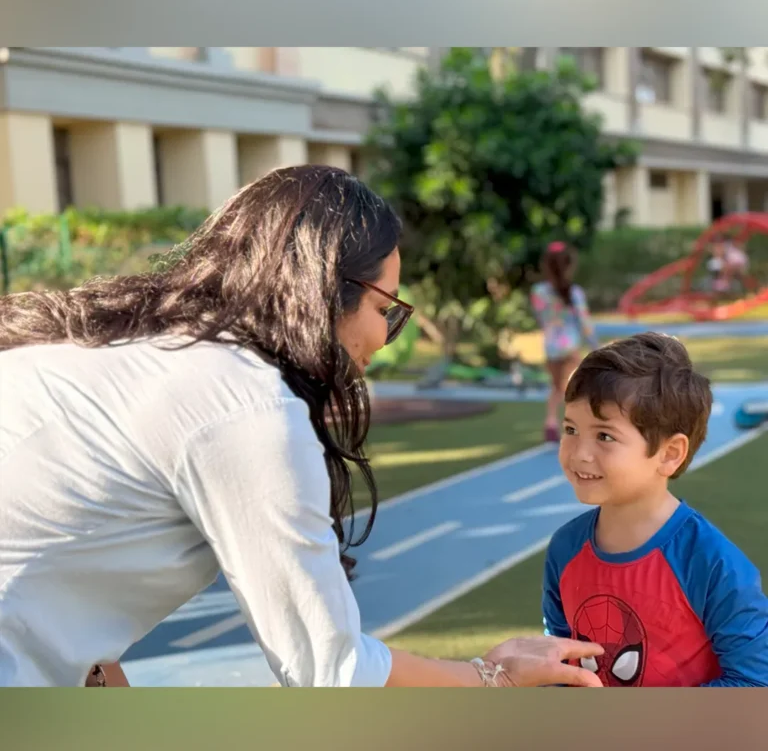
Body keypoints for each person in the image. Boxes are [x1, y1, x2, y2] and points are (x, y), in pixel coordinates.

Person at [0, 164, 604, 688]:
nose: (381, 340)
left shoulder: (139, 350)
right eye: (383, 309)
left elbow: (54, 570)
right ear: (321, 290)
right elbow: (334, 674)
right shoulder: (243, 403)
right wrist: (489, 676)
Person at [541, 332, 768, 687]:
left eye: (604, 436)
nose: (579, 453)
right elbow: (558, 664)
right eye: (571, 429)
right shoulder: (565, 549)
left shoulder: (711, 562)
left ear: (669, 454)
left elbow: (755, 683)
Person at [530, 241, 599, 443]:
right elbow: (584, 322)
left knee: (556, 387)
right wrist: (594, 346)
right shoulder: (574, 293)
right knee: (572, 388)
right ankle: (573, 426)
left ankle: (550, 422)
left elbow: (541, 316)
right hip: (570, 345)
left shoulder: (538, 292)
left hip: (551, 345)